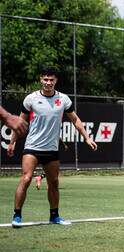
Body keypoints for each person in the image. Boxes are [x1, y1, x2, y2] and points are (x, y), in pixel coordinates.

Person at [7, 67, 97, 228]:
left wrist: (87, 138)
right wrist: (12, 142)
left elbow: (75, 120)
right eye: (45, 79)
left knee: (54, 182)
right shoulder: (31, 99)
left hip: (52, 149)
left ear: (56, 81)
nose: (48, 83)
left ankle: (54, 216)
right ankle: (17, 215)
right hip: (32, 147)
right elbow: (19, 123)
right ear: (41, 79)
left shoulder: (63, 99)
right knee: (26, 179)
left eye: (51, 80)